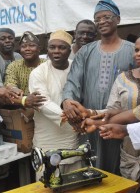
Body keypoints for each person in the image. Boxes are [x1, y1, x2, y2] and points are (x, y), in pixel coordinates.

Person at [82, 30, 140, 192]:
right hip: (128, 155)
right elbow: (112, 110)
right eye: (136, 50)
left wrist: (96, 120)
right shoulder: (123, 78)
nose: (139, 54)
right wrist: (93, 115)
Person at [61, 0, 136, 174]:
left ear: (117, 19)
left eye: (106, 17)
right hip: (90, 122)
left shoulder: (133, 50)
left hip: (120, 120)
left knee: (119, 168)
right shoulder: (86, 51)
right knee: (91, 166)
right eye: (97, 19)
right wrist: (67, 101)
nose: (101, 22)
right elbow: (73, 80)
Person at [29, 30, 85, 180]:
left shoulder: (76, 69)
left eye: (62, 47)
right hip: (47, 139)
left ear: (70, 49)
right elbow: (42, 102)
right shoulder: (38, 73)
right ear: (47, 49)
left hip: (72, 136)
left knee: (74, 182)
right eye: (52, 47)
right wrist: (70, 117)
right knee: (48, 183)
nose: (56, 51)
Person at [4, 31, 46, 109]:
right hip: (21, 106)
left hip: (44, 105)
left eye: (32, 45)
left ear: (39, 49)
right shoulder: (14, 66)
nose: (27, 49)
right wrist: (14, 89)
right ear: (20, 49)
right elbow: (9, 83)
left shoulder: (47, 65)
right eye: (24, 46)